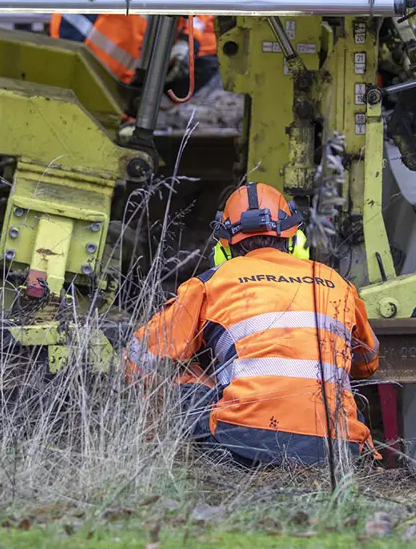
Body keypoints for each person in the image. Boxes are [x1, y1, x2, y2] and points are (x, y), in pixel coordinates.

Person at [125, 182, 380, 466]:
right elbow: (367, 363)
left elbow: (142, 357)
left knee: (173, 371)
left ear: (224, 245)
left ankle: (152, 464)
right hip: (339, 451)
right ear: (293, 239)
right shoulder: (336, 282)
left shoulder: (212, 281)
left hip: (242, 446)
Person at [49, 0, 219, 99]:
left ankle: (133, 112)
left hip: (131, 57)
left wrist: (188, 38)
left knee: (213, 44)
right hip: (95, 45)